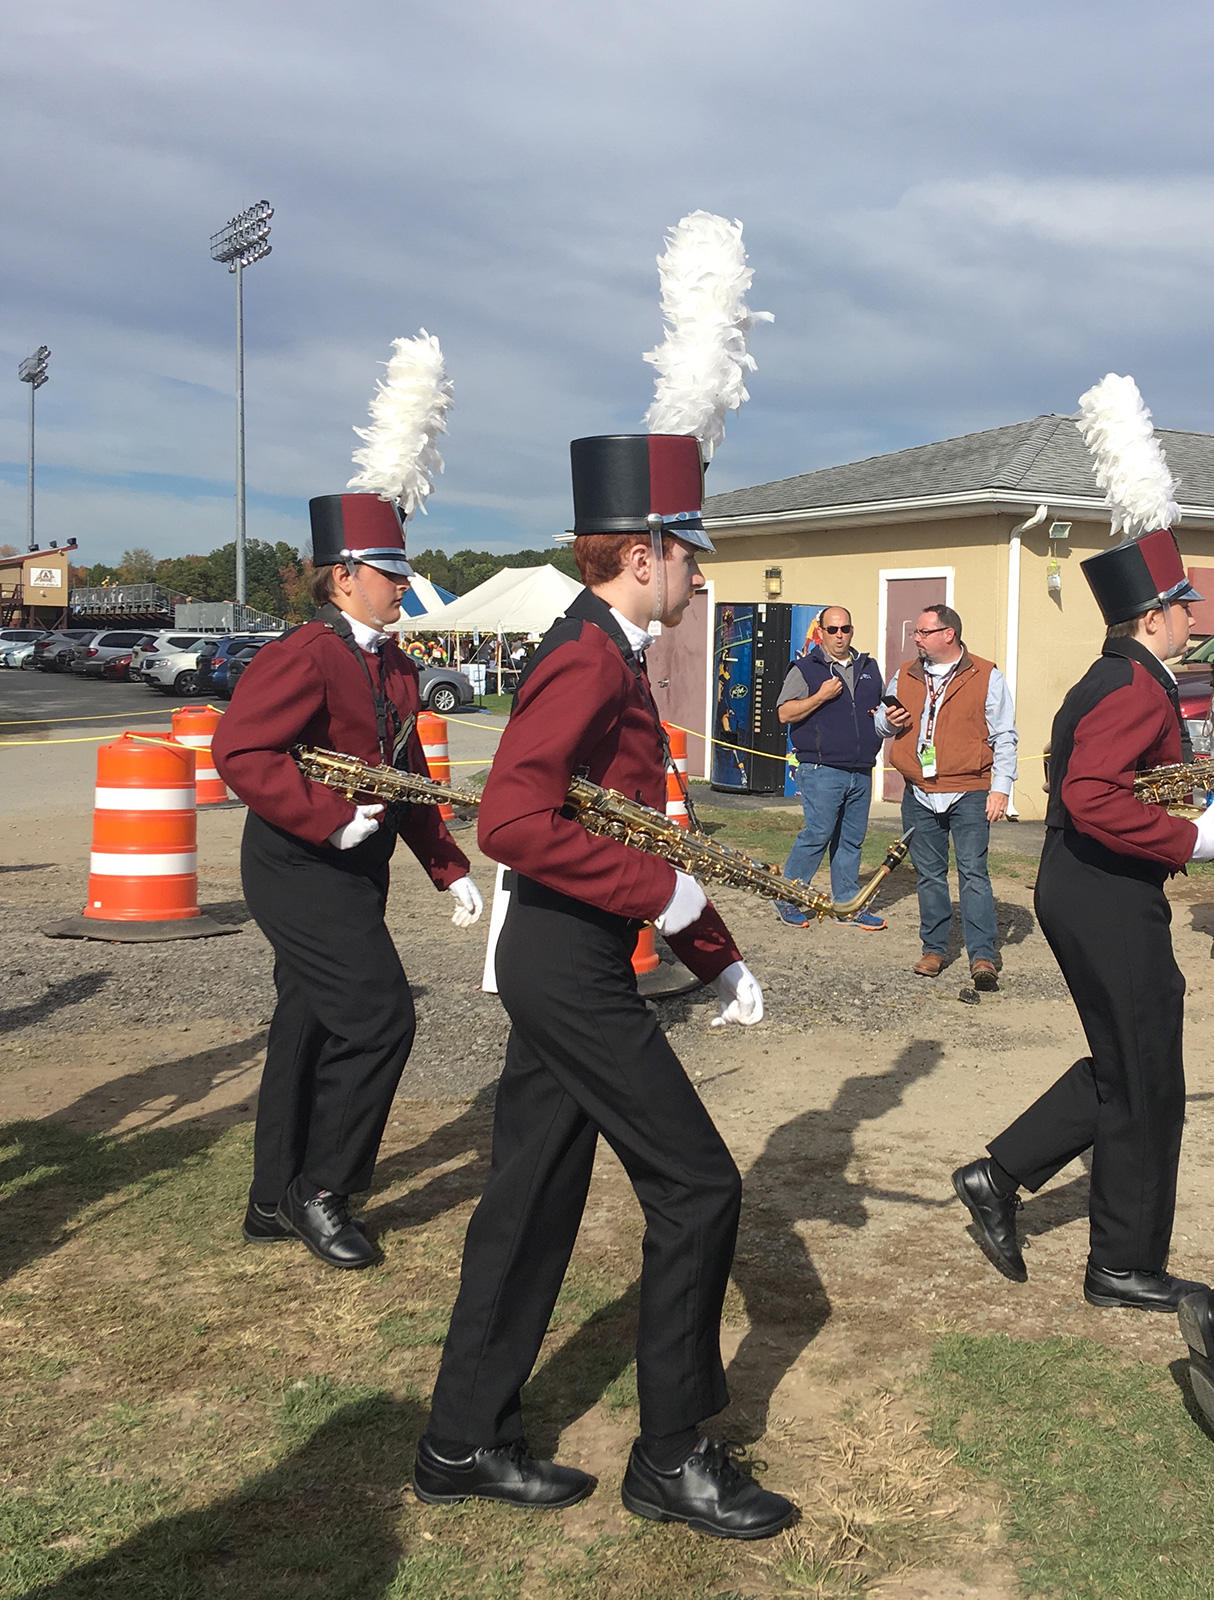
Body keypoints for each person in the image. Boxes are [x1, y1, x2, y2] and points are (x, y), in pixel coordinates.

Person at [414, 433, 797, 1540]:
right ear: (643, 555)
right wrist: (658, 896)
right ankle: (671, 1456)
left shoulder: (607, 650)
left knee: (530, 1198)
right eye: (691, 556)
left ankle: (460, 1441)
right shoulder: (588, 656)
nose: (701, 576)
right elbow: (511, 821)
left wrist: (714, 949)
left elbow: (634, 829)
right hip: (568, 963)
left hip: (566, 954)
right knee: (698, 1185)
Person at [213, 493, 483, 1269]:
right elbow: (240, 751)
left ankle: (273, 1199)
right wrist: (329, 819)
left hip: (356, 865)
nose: (404, 584)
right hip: (299, 865)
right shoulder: (303, 652)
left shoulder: (395, 663)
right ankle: (323, 1190)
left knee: (307, 1024)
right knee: (378, 1017)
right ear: (344, 577)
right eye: (389, 572)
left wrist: (447, 866)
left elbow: (407, 772)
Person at [953, 528, 1214, 1311]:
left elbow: (1113, 784)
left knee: (1130, 1064)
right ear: (1153, 617)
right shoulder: (1133, 685)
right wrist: (1193, 839)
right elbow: (1089, 795)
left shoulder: (1119, 675)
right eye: (1183, 605)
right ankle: (1123, 1266)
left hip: (1092, 887)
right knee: (1146, 1077)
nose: (1193, 616)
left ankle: (997, 1176)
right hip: (1104, 893)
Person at [875, 604, 1017, 990]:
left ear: (948, 634)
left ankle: (982, 955)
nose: (916, 639)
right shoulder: (905, 673)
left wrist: (1001, 787)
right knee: (929, 876)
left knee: (973, 874)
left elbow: (1004, 735)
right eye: (916, 632)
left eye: (923, 632)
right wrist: (886, 721)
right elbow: (880, 723)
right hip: (919, 792)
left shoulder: (986, 675)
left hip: (969, 791)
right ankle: (934, 949)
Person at [773, 605, 887, 930]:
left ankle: (847, 905)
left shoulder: (869, 667)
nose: (839, 635)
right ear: (821, 632)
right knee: (818, 835)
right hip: (821, 769)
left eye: (845, 629)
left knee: (851, 840)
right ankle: (788, 896)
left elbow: (879, 711)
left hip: (861, 768)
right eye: (833, 629)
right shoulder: (805, 669)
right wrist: (820, 696)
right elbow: (784, 713)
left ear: (852, 631)